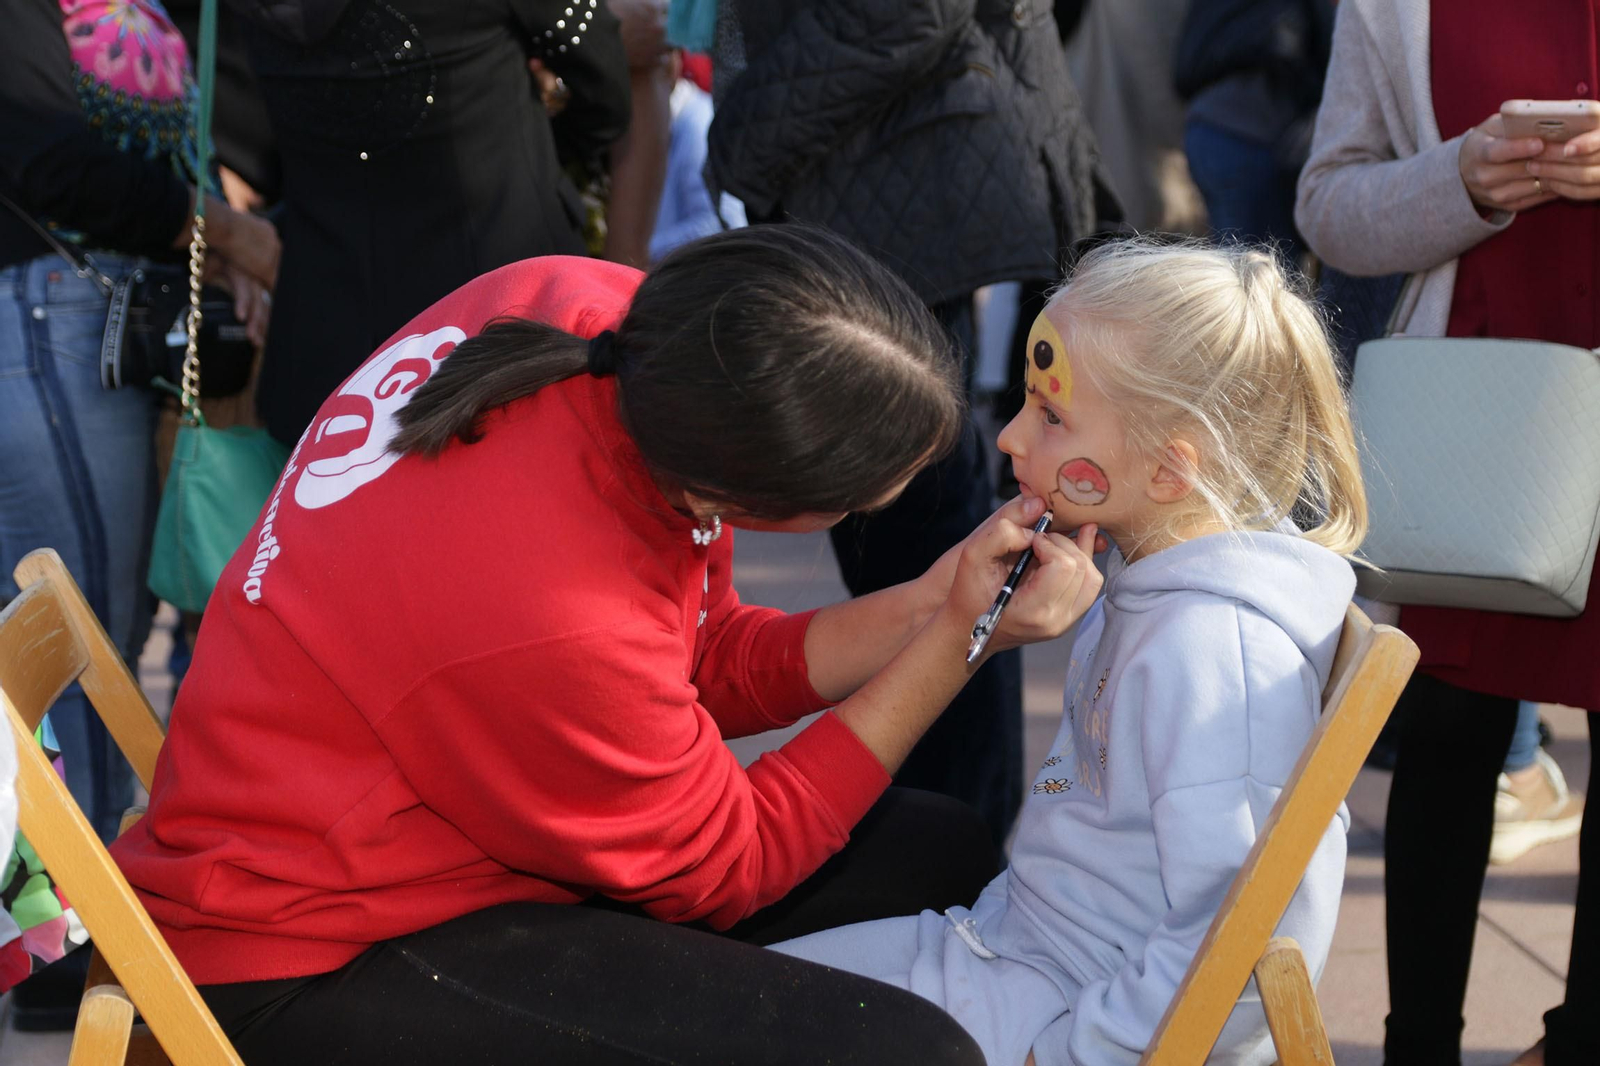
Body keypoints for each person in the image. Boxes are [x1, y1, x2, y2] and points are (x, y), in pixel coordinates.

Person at [111, 225, 1105, 1065]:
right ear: (731, 500)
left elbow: (698, 659)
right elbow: (733, 862)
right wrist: (960, 644)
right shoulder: (552, 613)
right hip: (298, 954)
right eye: (855, 503)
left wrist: (932, 603)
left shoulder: (603, 319)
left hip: (389, 834)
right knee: (907, 1052)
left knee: (946, 846)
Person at [774, 237, 1368, 1066]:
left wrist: (1074, 1053)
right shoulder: (1143, 581)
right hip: (1008, 951)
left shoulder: (1213, 654)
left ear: (1169, 471)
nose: (1011, 436)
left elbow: (1245, 943)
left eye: (1052, 416)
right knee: (730, 1008)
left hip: (1063, 1018)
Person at [707, 0, 1104, 844]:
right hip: (890, 180)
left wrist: (747, 126)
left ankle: (956, 848)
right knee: (927, 546)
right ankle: (952, 840)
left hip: (902, 189)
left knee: (927, 522)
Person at [1295, 1, 1600, 1062]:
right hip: (1472, 427)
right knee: (1442, 736)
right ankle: (1414, 1045)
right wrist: (1462, 181)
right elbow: (1327, 205)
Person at [228, 0, 632, 447]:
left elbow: (249, 139)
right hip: (504, 337)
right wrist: (538, 152)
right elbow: (606, 88)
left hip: (325, 360)